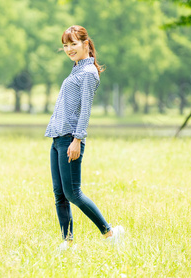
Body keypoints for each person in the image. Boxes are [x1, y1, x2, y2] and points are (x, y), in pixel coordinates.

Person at [45, 25, 124, 250]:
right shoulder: (77, 69)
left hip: (70, 137)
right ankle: (67, 243)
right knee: (60, 194)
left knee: (73, 193)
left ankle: (110, 233)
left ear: (86, 44)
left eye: (73, 44)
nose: (69, 49)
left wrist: (77, 140)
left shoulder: (88, 73)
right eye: (66, 45)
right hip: (58, 137)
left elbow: (86, 109)